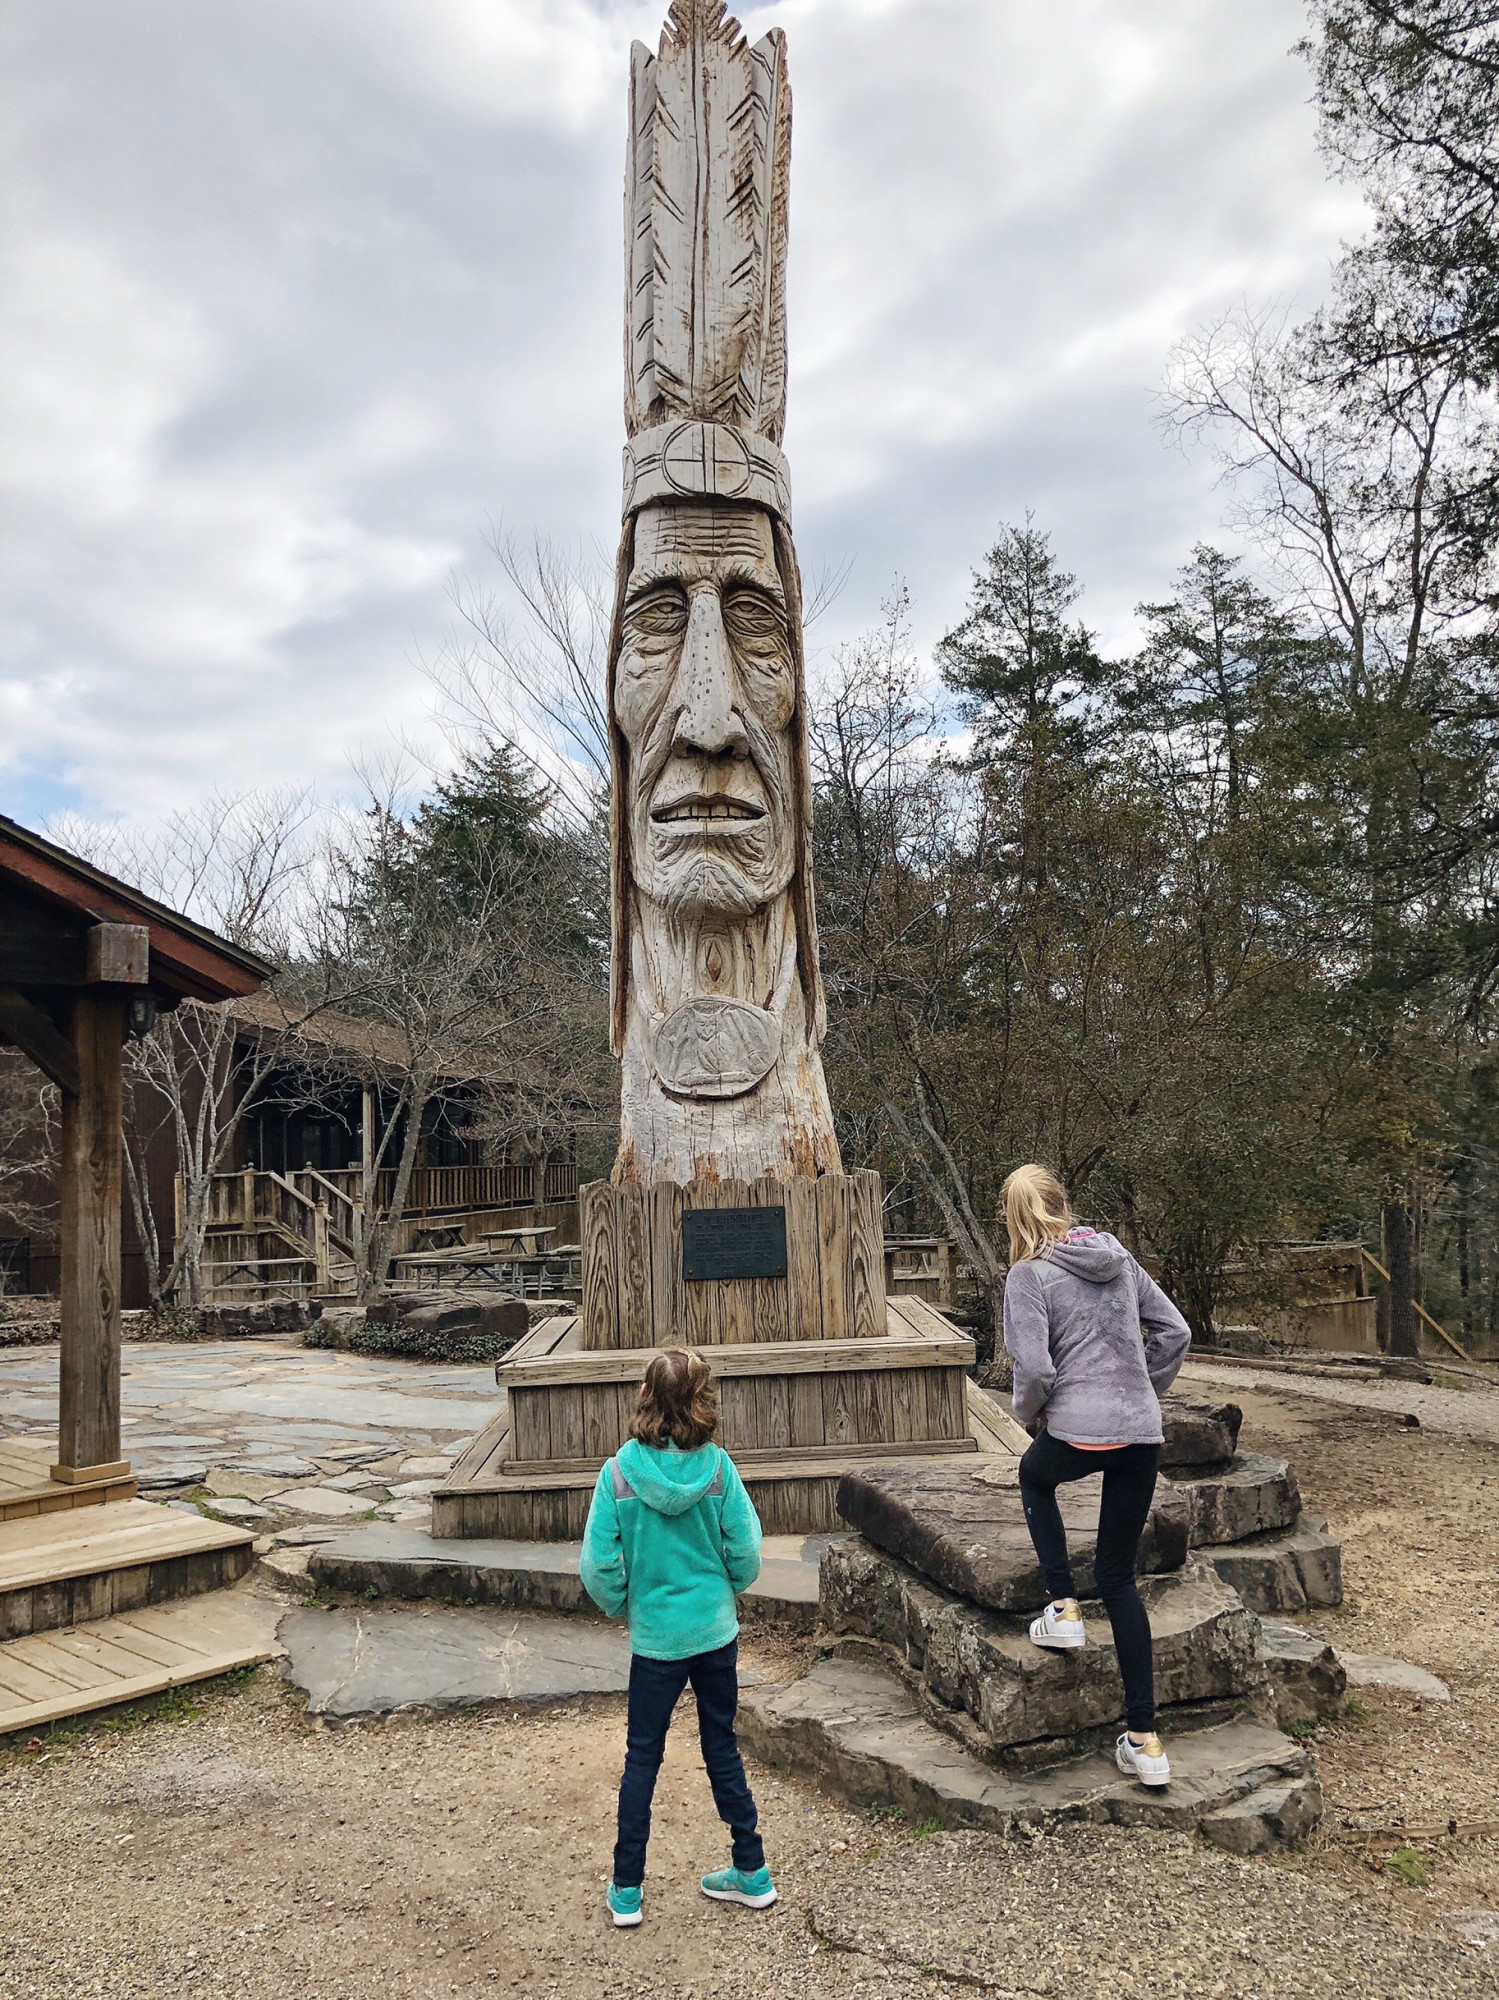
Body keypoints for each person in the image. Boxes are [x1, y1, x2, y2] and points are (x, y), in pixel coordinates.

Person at [1001, 1163, 1192, 1788]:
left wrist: (1031, 1417)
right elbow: (1175, 1332)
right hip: (1140, 1432)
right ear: (1063, 1204)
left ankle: (1061, 1607)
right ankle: (1148, 1742)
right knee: (1119, 1577)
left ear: (1013, 1217)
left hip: (1079, 1427)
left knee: (1034, 1476)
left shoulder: (1027, 1276)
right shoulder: (1119, 1259)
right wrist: (1142, 1391)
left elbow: (1033, 1371)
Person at [580, 1346, 775, 1928]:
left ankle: (627, 1888)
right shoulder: (719, 1470)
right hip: (714, 1633)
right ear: (704, 1400)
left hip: (656, 1642)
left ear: (644, 1396)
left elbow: (598, 1565)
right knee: (722, 1747)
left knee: (643, 1756)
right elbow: (746, 1549)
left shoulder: (617, 1475)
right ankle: (752, 1869)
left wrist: (625, 1605)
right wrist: (726, 1589)